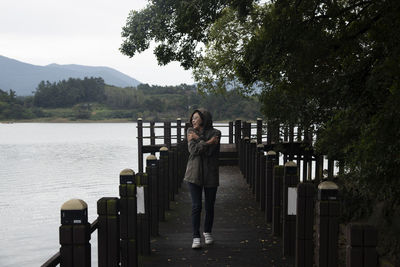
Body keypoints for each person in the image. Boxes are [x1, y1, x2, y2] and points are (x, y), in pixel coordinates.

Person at [184, 108, 221, 249]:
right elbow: (193, 151)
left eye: (196, 118)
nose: (193, 120)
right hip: (193, 174)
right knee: (196, 206)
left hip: (210, 173)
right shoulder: (189, 131)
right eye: (192, 118)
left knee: (209, 206)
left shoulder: (216, 133)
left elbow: (210, 152)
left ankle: (207, 232)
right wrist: (208, 142)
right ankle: (195, 236)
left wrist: (198, 140)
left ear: (204, 119)